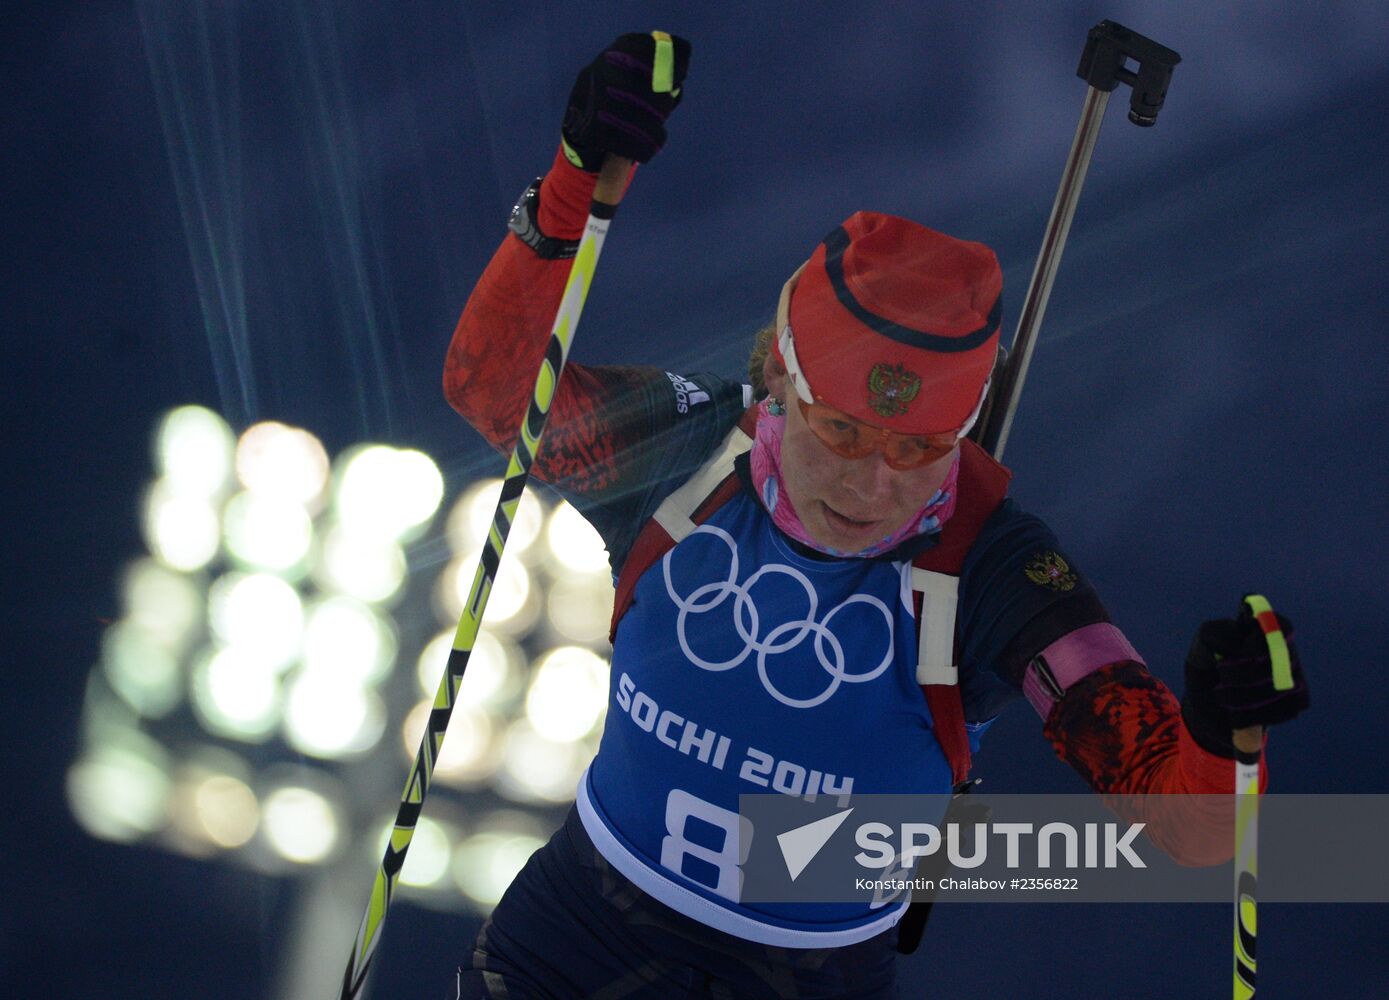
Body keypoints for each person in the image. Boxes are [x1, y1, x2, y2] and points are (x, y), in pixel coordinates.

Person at [443, 33, 1309, 999]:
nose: (870, 486)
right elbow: (493, 388)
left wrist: (1224, 734)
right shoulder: (685, 451)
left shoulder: (993, 569)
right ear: (775, 376)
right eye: (841, 433)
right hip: (574, 941)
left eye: (917, 450)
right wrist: (571, 183)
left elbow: (1186, 828)